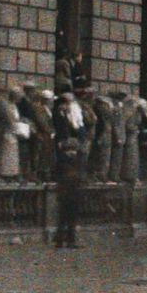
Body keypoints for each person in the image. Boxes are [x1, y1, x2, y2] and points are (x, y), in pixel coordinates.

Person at [51, 89, 87, 248]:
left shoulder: (71, 160)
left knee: (66, 216)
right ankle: (66, 239)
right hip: (69, 190)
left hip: (68, 189)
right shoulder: (69, 160)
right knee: (69, 215)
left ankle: (63, 239)